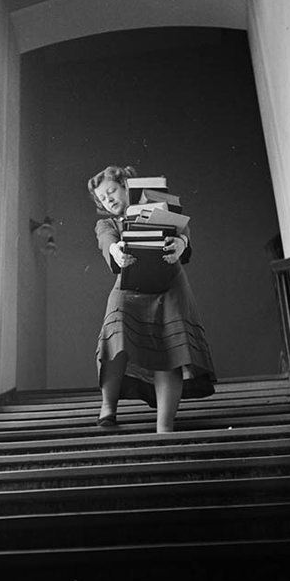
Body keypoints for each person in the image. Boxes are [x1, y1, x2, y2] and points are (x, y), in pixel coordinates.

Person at [88, 164, 216, 433]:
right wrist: (115, 249)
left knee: (169, 350)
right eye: (102, 198)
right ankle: (107, 409)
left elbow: (182, 231)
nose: (108, 199)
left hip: (169, 285)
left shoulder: (159, 206)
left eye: (111, 191)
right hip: (130, 285)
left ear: (126, 186)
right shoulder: (106, 223)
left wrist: (181, 243)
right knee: (115, 339)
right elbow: (106, 240)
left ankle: (164, 427)